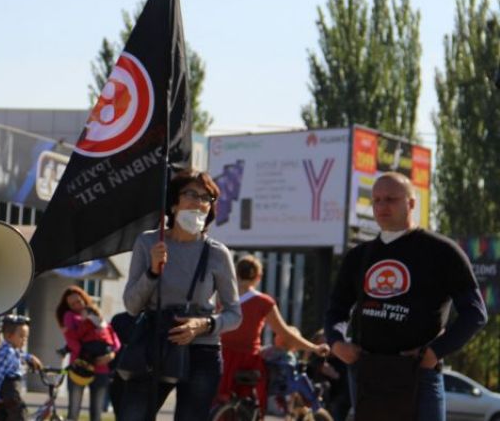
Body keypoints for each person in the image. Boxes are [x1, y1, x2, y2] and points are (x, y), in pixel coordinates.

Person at [324, 171, 487, 421]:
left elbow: (475, 313)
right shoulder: (359, 255)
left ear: (411, 203)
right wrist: (337, 343)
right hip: (366, 374)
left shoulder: (442, 251)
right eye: (376, 200)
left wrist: (434, 352)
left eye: (390, 199)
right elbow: (337, 309)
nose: (381, 206)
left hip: (419, 375)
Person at [120, 169, 242, 421]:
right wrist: (152, 272)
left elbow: (234, 314)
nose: (199, 203)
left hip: (202, 352)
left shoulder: (218, 253)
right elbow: (132, 306)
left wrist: (204, 325)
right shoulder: (148, 243)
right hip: (155, 343)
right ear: (174, 203)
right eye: (191, 194)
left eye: (207, 198)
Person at [216, 255, 328, 412]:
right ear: (259, 276)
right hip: (248, 360)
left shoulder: (223, 298)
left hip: (222, 357)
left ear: (235, 272)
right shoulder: (264, 302)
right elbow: (286, 334)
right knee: (252, 403)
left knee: (217, 402)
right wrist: (314, 348)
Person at [55, 285, 119, 421]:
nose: (76, 305)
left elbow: (113, 339)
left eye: (78, 301)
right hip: (80, 367)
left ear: (84, 298)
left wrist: (111, 355)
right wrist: (87, 354)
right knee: (73, 411)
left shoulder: (95, 313)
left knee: (96, 413)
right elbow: (72, 341)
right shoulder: (69, 316)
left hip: (102, 369)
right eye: (72, 304)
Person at [0, 315, 42, 421]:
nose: (24, 340)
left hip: (13, 391)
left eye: (26, 337)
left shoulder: (13, 349)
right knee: (20, 416)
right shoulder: (7, 352)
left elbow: (21, 355)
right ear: (8, 336)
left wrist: (31, 357)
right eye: (21, 336)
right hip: (9, 392)